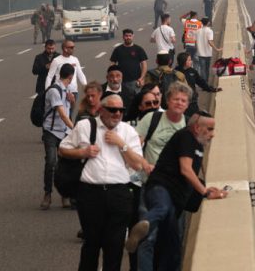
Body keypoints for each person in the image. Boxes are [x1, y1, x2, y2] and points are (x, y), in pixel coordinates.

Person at [59, 94, 152, 271]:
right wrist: (82, 153)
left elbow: (138, 164)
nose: (117, 114)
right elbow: (63, 149)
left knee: (114, 245)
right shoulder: (84, 126)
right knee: (91, 243)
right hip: (90, 193)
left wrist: (121, 144)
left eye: (121, 110)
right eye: (112, 110)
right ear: (101, 110)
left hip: (119, 193)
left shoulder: (128, 132)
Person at [126, 111, 227, 270]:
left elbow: (188, 175)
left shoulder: (197, 144)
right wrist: (204, 192)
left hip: (176, 199)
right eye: (209, 129)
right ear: (196, 127)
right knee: (162, 208)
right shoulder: (186, 137)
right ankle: (142, 227)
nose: (212, 134)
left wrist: (205, 188)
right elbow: (186, 170)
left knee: (172, 249)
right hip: (161, 188)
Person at [132, 82, 193, 270]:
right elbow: (134, 146)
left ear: (188, 104)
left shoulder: (190, 125)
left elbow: (194, 159)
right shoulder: (152, 119)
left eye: (183, 100)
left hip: (177, 191)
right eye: (176, 99)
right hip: (151, 186)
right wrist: (144, 164)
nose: (179, 103)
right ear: (167, 100)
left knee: (174, 241)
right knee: (148, 238)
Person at [41, 64, 76, 210]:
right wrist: (76, 130)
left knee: (65, 165)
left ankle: (65, 195)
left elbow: (69, 109)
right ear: (71, 76)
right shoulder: (54, 91)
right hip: (51, 132)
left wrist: (72, 100)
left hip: (64, 132)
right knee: (51, 162)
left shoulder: (66, 89)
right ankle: (47, 194)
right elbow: (62, 113)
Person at [46, 39, 87, 119]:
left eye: (73, 47)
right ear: (65, 48)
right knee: (63, 114)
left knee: (70, 113)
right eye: (71, 47)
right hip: (60, 91)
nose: (73, 49)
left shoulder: (75, 59)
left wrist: (86, 86)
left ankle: (68, 130)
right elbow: (49, 76)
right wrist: (47, 91)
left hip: (73, 92)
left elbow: (80, 74)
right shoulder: (57, 60)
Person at [176, 52, 221, 116]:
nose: (191, 61)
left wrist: (212, 89)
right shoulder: (175, 73)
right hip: (181, 103)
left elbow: (201, 82)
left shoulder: (192, 71)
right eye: (189, 60)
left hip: (192, 102)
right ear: (184, 62)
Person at [110, 29, 148, 94]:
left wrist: (142, 78)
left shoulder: (138, 49)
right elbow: (112, 64)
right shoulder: (118, 49)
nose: (128, 37)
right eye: (126, 36)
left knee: (136, 100)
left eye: (130, 36)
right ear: (123, 37)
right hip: (121, 81)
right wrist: (113, 77)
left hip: (135, 81)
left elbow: (144, 64)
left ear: (133, 36)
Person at [195, 17, 221, 82]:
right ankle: (206, 82)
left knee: (202, 69)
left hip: (200, 53)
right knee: (207, 68)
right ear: (208, 22)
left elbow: (196, 42)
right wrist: (216, 49)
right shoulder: (210, 31)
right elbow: (210, 42)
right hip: (208, 53)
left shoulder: (197, 31)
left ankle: (204, 82)